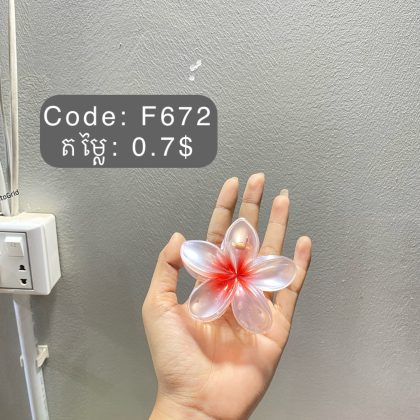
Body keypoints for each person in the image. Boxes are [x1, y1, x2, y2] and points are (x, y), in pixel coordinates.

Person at [142, 174, 312, 419]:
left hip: (244, 286)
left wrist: (184, 408)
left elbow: (280, 273)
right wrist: (186, 406)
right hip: (226, 285)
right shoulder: (214, 285)